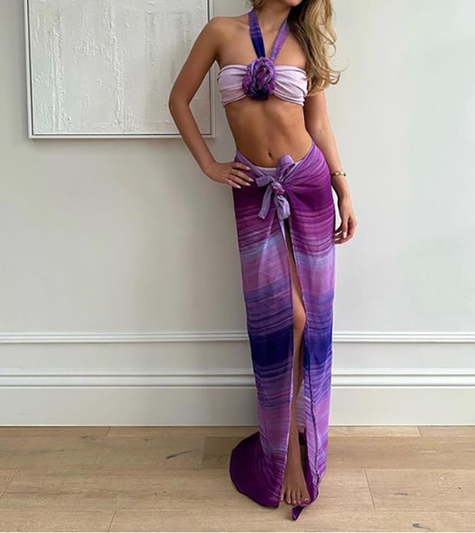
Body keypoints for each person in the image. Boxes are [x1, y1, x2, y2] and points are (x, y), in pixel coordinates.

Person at [168, 0, 357, 520]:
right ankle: (281, 448)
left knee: (309, 319)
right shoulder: (220, 31)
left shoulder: (306, 40)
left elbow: (319, 124)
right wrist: (209, 165)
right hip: (253, 187)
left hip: (309, 183)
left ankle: (300, 446)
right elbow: (179, 100)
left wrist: (343, 189)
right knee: (281, 320)